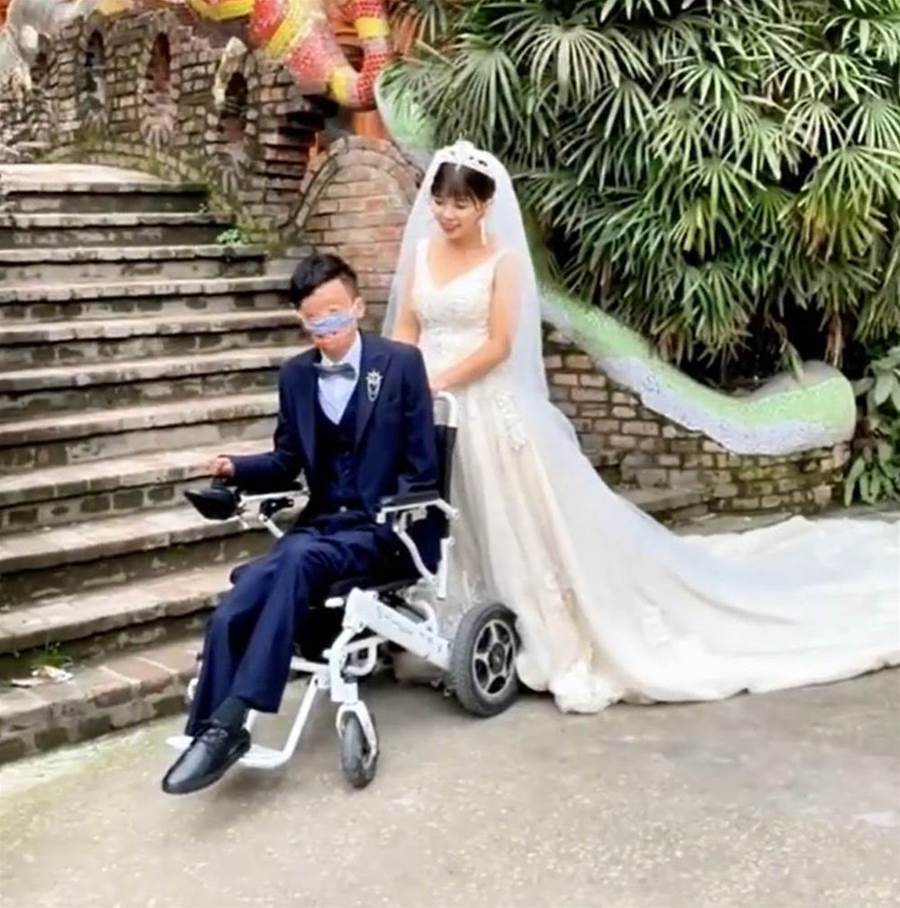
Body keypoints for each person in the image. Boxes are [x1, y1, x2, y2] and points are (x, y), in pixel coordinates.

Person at [387, 140, 900, 714]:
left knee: (509, 514)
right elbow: (407, 323)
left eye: (460, 203)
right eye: (440, 201)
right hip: (431, 405)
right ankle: (452, 618)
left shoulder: (503, 261)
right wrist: (402, 376)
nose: (447, 213)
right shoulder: (425, 252)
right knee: (451, 509)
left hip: (486, 403)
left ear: (485, 205)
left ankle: (534, 624)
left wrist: (438, 380)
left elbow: (500, 344)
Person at [162, 253, 439, 795]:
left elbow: (422, 468)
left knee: (292, 557)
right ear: (302, 320)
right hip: (322, 525)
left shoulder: (401, 364)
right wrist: (236, 468)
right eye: (315, 318)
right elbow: (287, 461)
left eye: (335, 312)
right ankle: (209, 729)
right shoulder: (295, 376)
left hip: (385, 529)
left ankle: (234, 716)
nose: (326, 325)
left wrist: (396, 510)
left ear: (357, 307)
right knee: (245, 592)